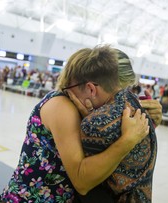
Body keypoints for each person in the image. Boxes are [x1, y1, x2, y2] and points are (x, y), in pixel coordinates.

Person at [0, 46, 161, 203]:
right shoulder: (62, 107)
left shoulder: (89, 110)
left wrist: (149, 122)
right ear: (92, 88)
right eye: (117, 96)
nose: (118, 105)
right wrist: (128, 140)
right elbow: (82, 182)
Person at [58, 46, 157, 202]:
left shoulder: (95, 124)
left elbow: (83, 184)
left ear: (91, 88)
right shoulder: (134, 104)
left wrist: (127, 141)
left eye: (70, 89)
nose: (69, 95)